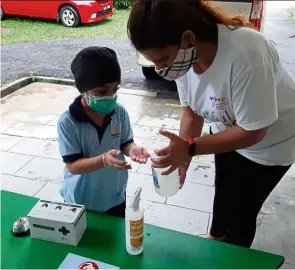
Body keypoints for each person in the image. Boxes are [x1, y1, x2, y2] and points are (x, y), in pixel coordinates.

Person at [127, 0, 295, 247]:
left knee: (242, 211)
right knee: (224, 189)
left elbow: (254, 131)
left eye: (162, 59)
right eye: (153, 61)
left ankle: (234, 254)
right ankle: (215, 237)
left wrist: (191, 147)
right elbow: (192, 113)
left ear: (188, 38)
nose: (159, 69)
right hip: (228, 130)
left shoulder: (246, 53)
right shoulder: (184, 59)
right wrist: (184, 154)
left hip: (270, 143)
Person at [57, 46, 150, 218]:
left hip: (114, 197)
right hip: (80, 200)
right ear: (83, 89)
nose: (110, 96)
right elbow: (73, 166)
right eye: (102, 91)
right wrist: (103, 160)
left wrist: (132, 149)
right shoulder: (68, 122)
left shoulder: (119, 112)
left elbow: (125, 142)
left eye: (115, 89)